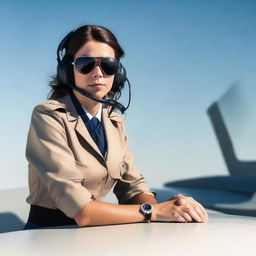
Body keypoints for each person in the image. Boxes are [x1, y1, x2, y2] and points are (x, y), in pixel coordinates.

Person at [24, 25, 208, 230]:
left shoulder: (114, 120)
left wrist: (173, 208)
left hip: (98, 230)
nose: (98, 73)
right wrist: (154, 211)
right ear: (68, 70)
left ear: (118, 72)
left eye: (108, 65)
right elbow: (82, 211)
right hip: (50, 233)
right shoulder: (48, 116)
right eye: (86, 64)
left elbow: (131, 184)